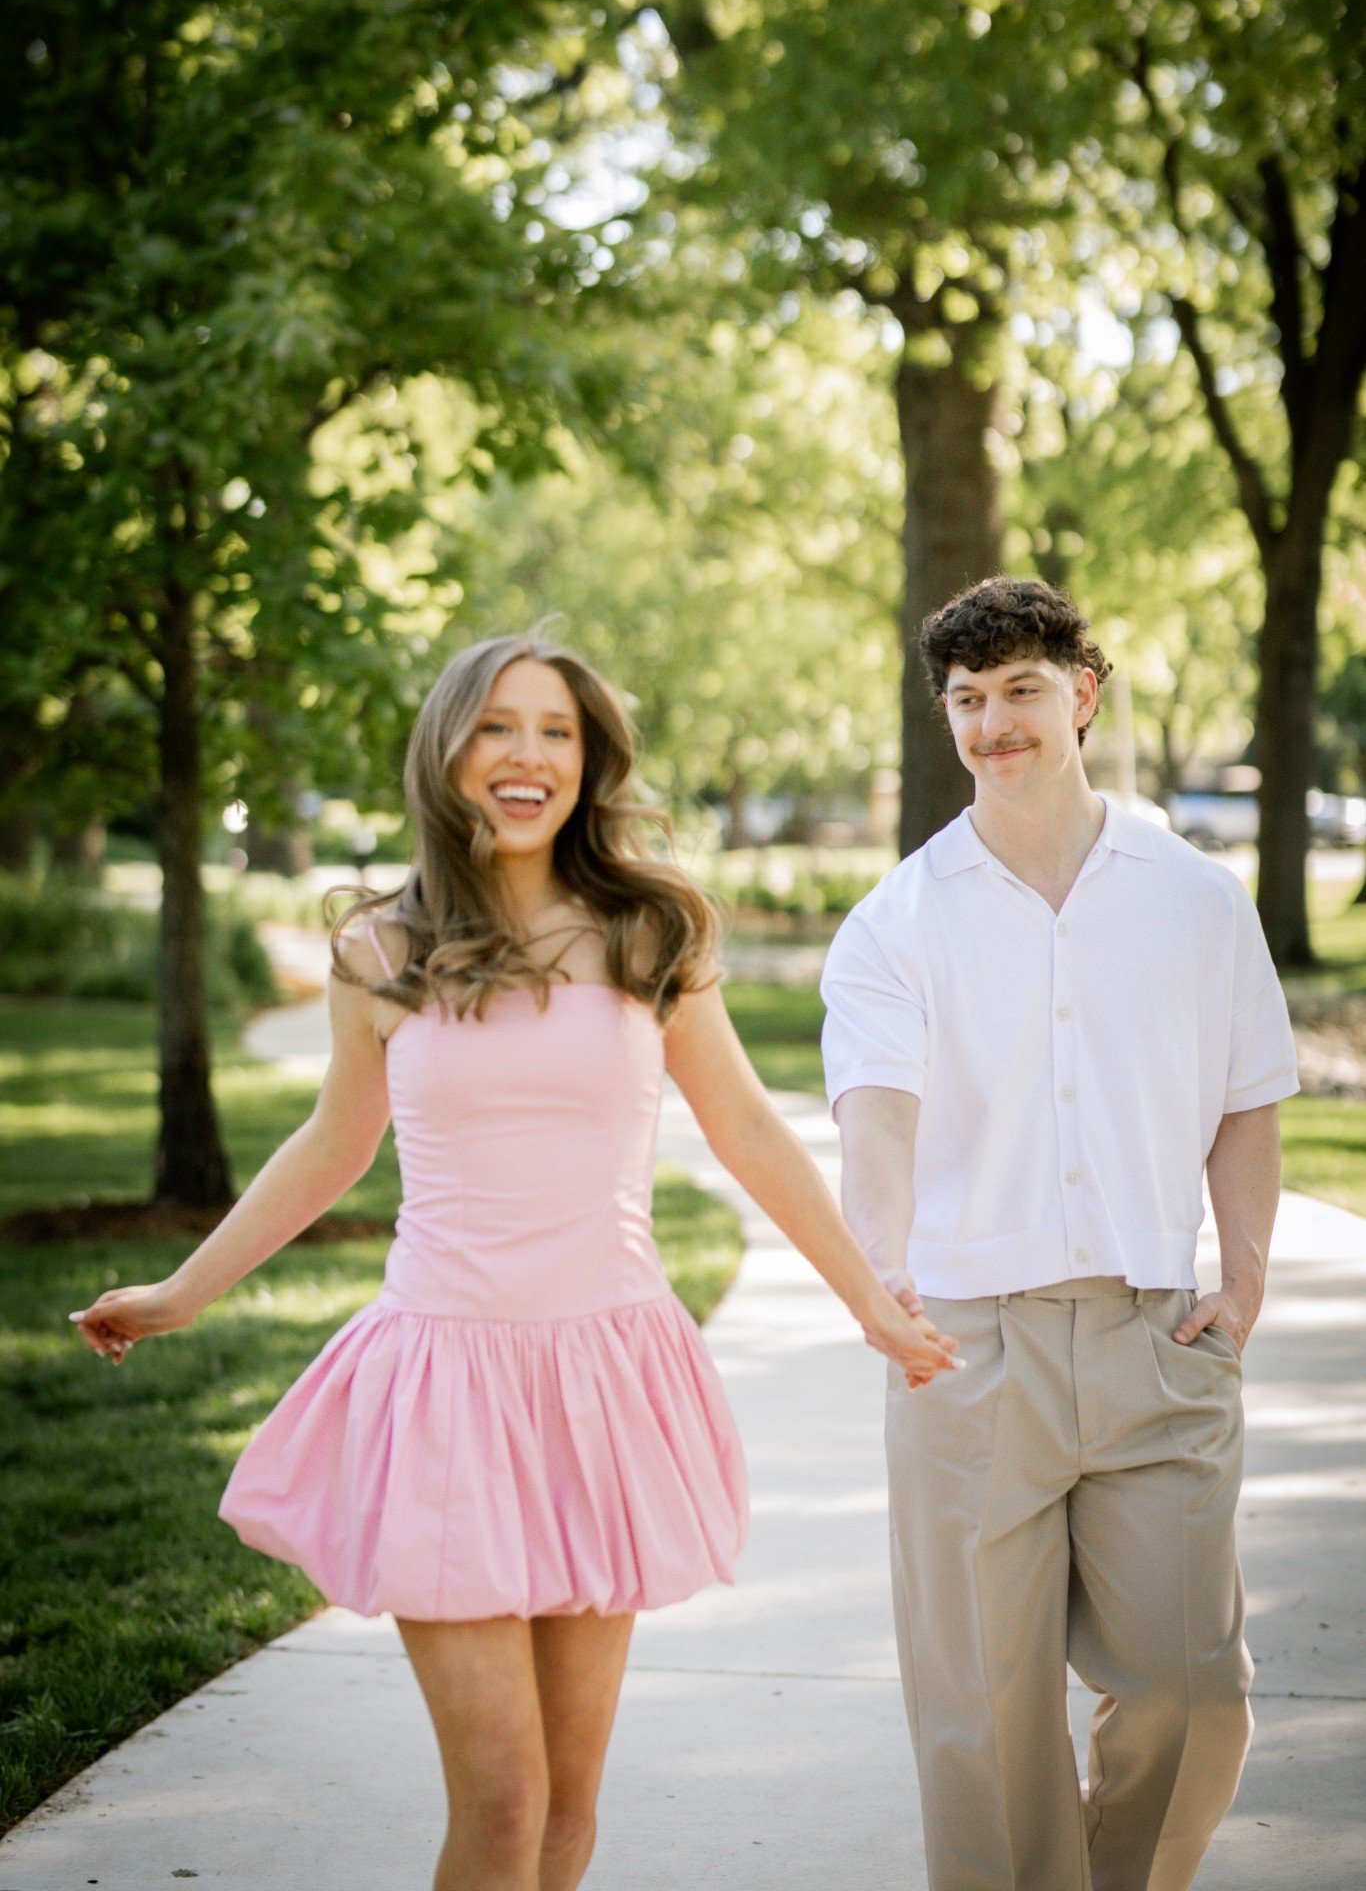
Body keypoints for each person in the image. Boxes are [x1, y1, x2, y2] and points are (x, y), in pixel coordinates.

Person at [71, 630, 957, 1891]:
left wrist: (870, 1297)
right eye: (497, 725)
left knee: (566, 1815)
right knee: (501, 1802)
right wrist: (174, 1295)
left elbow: (750, 1127)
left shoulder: (651, 930)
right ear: (450, 749)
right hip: (444, 1389)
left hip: (605, 1381)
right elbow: (331, 1144)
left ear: (588, 757)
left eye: (556, 729)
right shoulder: (383, 948)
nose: (527, 754)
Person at [820, 576, 1299, 1891]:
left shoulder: (1195, 903)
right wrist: (884, 1268)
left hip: (1155, 1339)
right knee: (986, 1722)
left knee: (1194, 1692)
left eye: (1019, 692)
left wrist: (1243, 1280)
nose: (992, 726)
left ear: (1080, 695)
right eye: (965, 702)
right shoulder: (896, 923)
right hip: (964, 1352)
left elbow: (1247, 1102)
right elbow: (876, 1120)